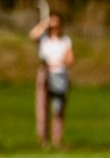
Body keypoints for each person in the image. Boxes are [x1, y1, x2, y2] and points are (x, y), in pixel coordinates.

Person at [30, 13, 74, 149]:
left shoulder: (65, 40)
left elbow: (70, 58)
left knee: (58, 108)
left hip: (60, 75)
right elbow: (33, 35)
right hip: (45, 73)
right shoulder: (44, 39)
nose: (54, 28)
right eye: (52, 26)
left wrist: (59, 63)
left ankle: (57, 139)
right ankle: (43, 139)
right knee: (42, 107)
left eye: (56, 25)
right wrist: (45, 23)